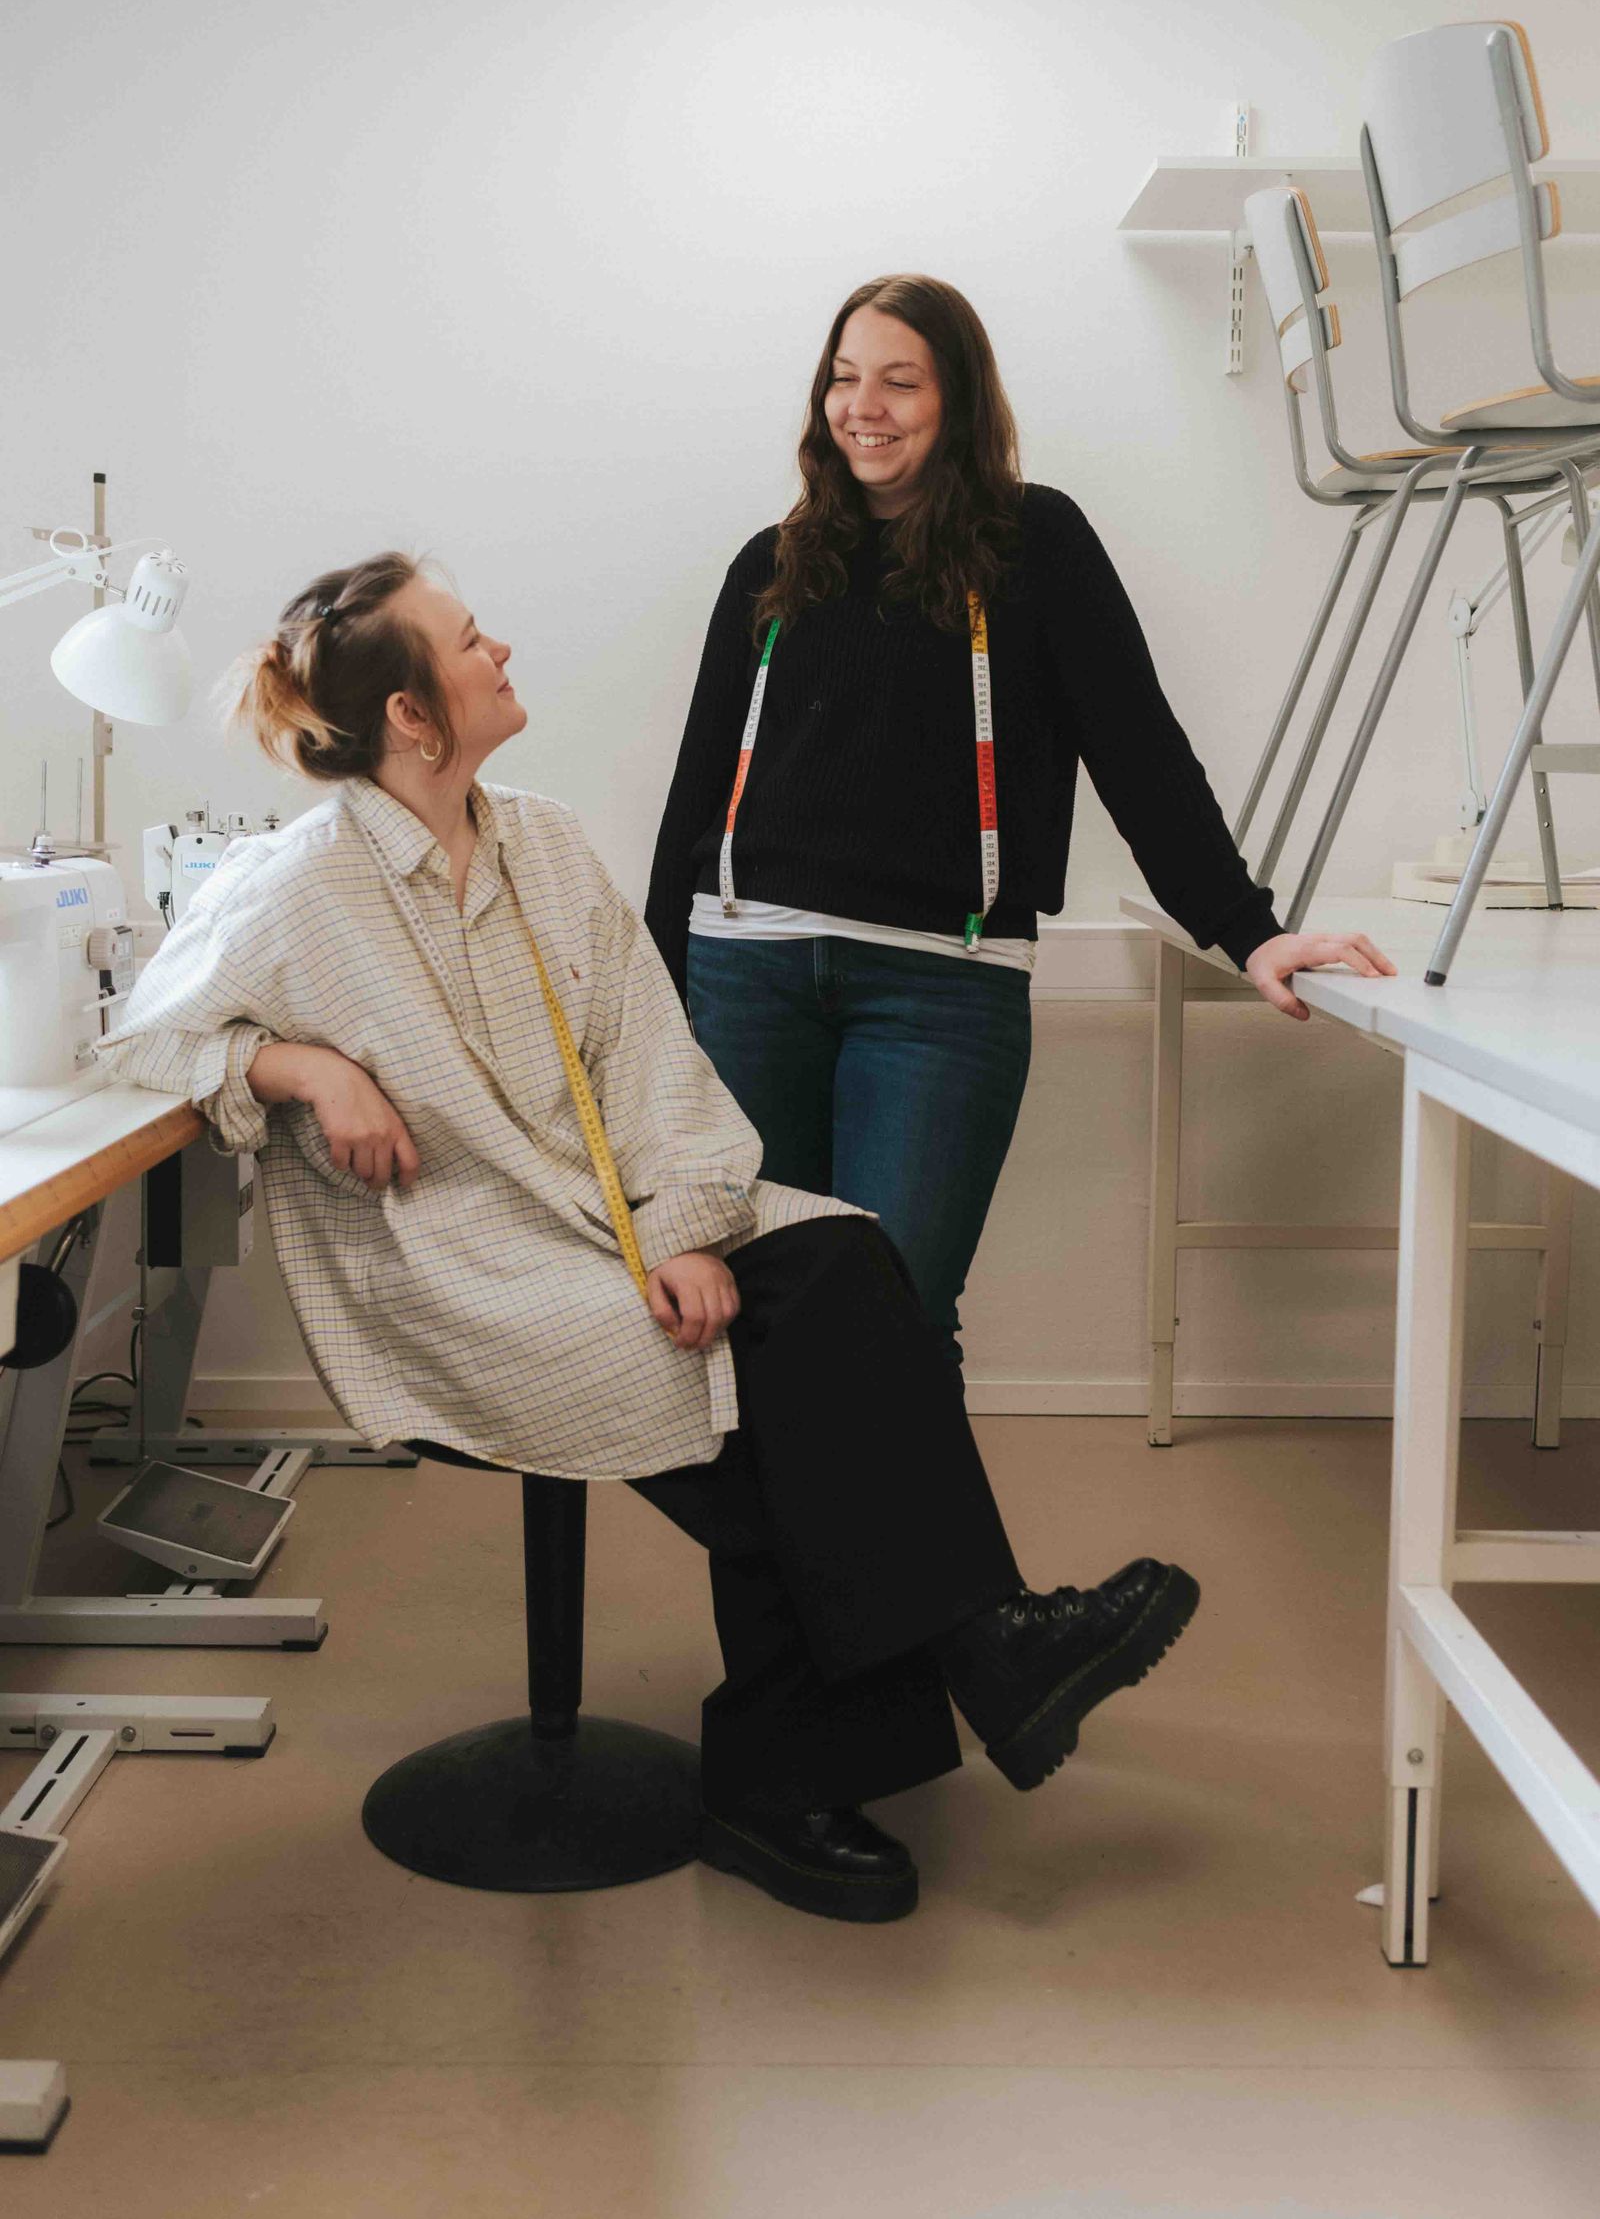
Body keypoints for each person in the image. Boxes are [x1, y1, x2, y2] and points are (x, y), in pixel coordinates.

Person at [103, 551, 1201, 1926]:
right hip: (457, 1273)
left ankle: (935, 1677)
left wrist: (683, 1226)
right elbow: (145, 1042)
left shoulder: (545, 843)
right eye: (467, 639)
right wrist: (301, 1072)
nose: (499, 647)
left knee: (843, 1257)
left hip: (601, 1224)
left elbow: (648, 1062)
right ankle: (896, 1704)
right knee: (773, 1402)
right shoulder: (298, 883)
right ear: (410, 714)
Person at [646, 275, 1394, 1358]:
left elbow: (1136, 750)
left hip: (940, 990)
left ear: (957, 400)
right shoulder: (772, 564)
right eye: (844, 380)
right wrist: (658, 1013)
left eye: (899, 382)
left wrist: (1250, 928)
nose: (865, 407)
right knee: (758, 1314)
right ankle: (777, 1540)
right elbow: (697, 792)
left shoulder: (1034, 543)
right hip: (744, 980)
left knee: (895, 1315)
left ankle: (897, 1537)